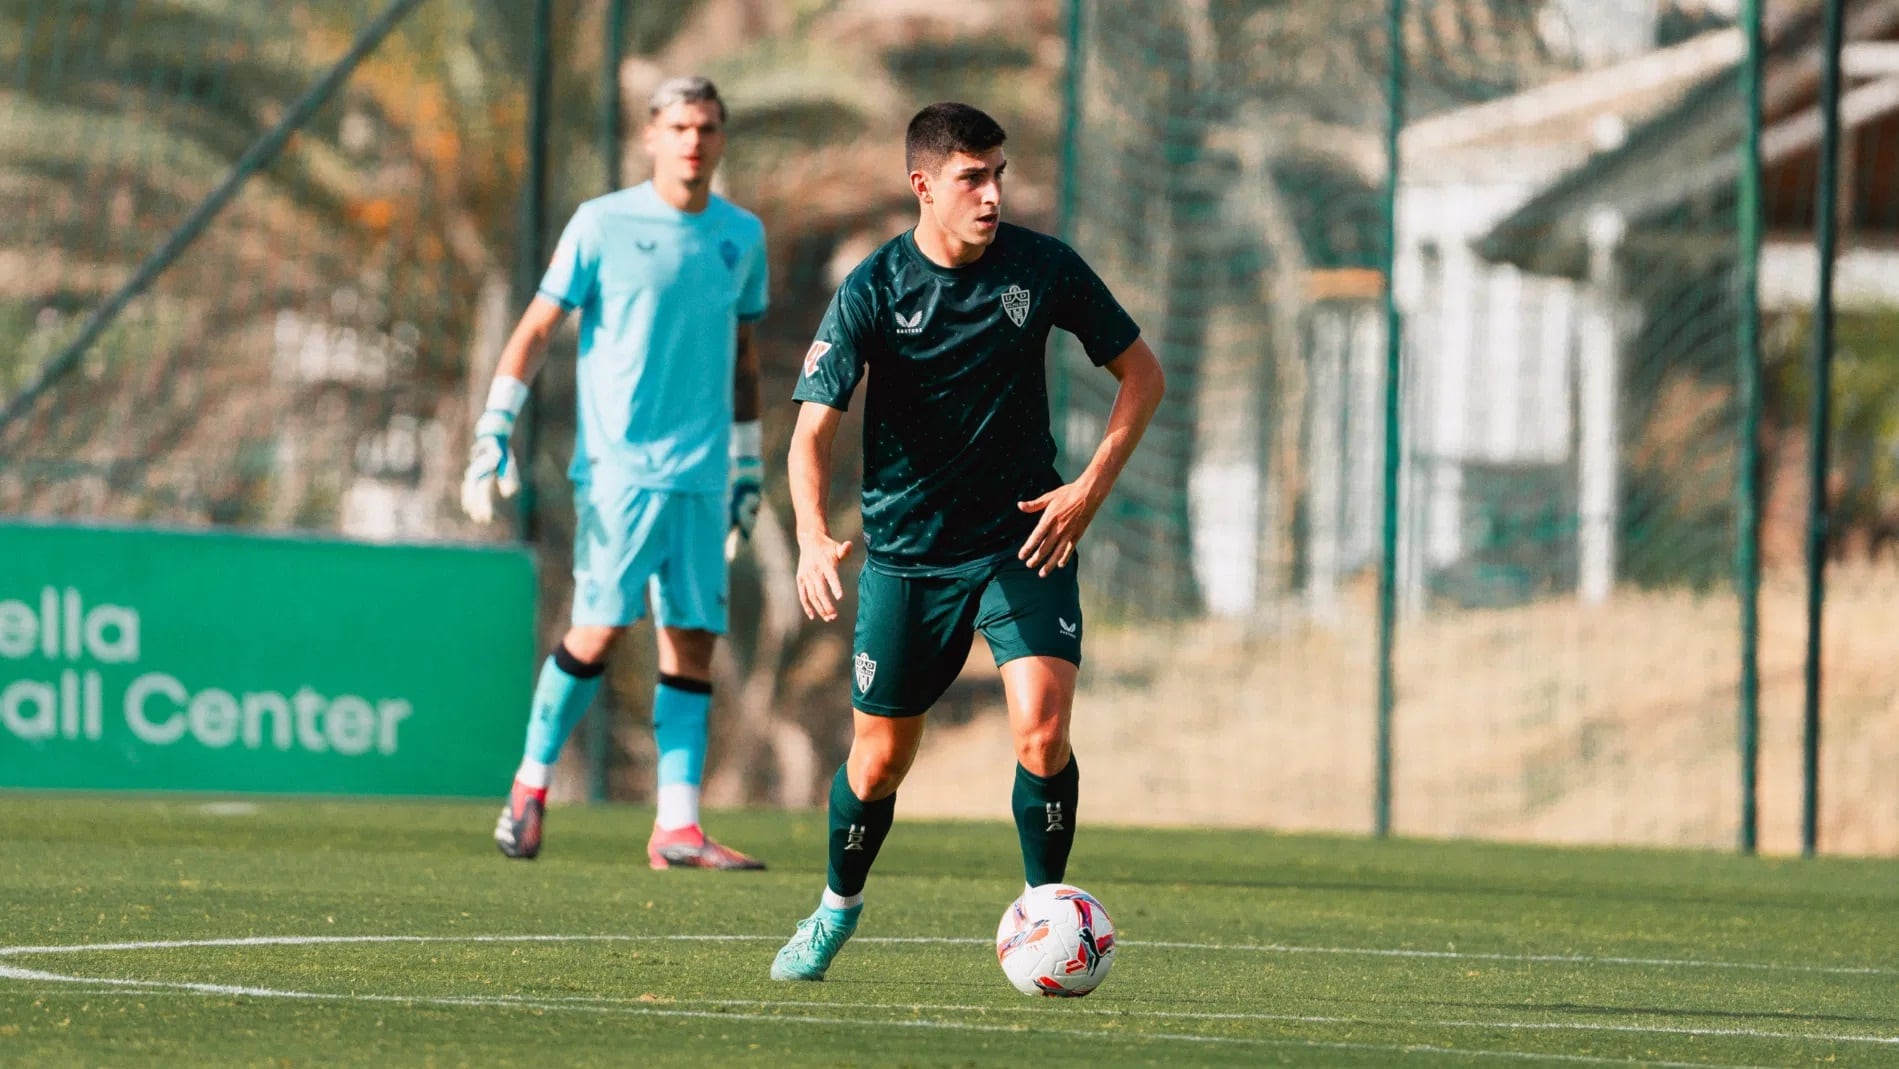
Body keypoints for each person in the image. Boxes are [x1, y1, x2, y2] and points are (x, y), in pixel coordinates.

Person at [769, 102, 1165, 980]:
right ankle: (836, 908)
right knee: (875, 764)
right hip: (907, 556)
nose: (991, 195)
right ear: (923, 186)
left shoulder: (1042, 266)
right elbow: (809, 434)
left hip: (1022, 539)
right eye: (970, 179)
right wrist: (808, 535)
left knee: (1042, 729)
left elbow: (1142, 374)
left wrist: (1087, 488)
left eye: (998, 175)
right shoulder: (874, 287)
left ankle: (1047, 916)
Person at [462, 76, 769, 871]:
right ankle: (530, 785)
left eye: (705, 127)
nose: (692, 141)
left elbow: (743, 358)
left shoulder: (742, 235)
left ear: (721, 138)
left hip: (701, 480)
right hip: (618, 475)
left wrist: (745, 464)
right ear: (651, 136)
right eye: (678, 126)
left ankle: (677, 826)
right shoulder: (601, 223)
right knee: (597, 632)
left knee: (693, 643)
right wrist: (495, 423)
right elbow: (535, 327)